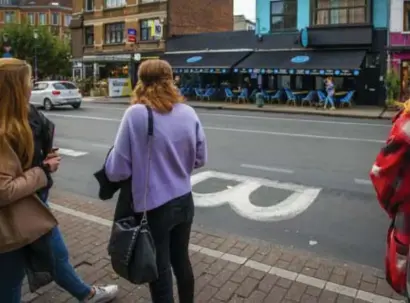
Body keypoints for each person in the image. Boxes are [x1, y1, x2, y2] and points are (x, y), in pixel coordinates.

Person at [0, 58, 118, 303]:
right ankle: (88, 294)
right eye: (27, 82)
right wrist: (44, 169)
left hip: (30, 204)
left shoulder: (21, 116)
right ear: (13, 87)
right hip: (17, 211)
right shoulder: (3, 131)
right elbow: (4, 189)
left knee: (24, 271)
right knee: (23, 273)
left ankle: (86, 294)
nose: (31, 87)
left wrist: (42, 154)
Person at [104, 59, 207, 303]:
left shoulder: (136, 114)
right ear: (171, 80)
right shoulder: (188, 112)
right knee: (181, 260)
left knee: (159, 271)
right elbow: (200, 159)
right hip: (184, 200)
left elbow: (117, 170)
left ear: (140, 81)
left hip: (154, 207)